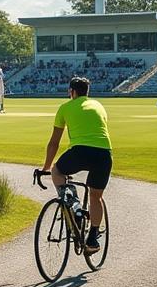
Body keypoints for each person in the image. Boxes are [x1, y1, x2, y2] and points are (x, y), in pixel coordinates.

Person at [40, 76, 111, 254]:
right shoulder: (98, 105)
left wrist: (45, 168)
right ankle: (93, 239)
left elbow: (54, 142)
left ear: (72, 92)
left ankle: (75, 207)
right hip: (104, 154)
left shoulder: (65, 107)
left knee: (57, 170)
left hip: (80, 152)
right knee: (96, 197)